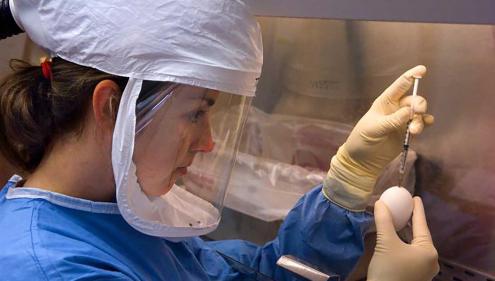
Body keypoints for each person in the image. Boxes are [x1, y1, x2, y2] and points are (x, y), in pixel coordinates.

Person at [0, 0, 439, 280]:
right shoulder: (51, 267)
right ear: (113, 107)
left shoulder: (126, 214)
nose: (208, 143)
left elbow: (266, 275)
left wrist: (348, 181)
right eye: (195, 112)